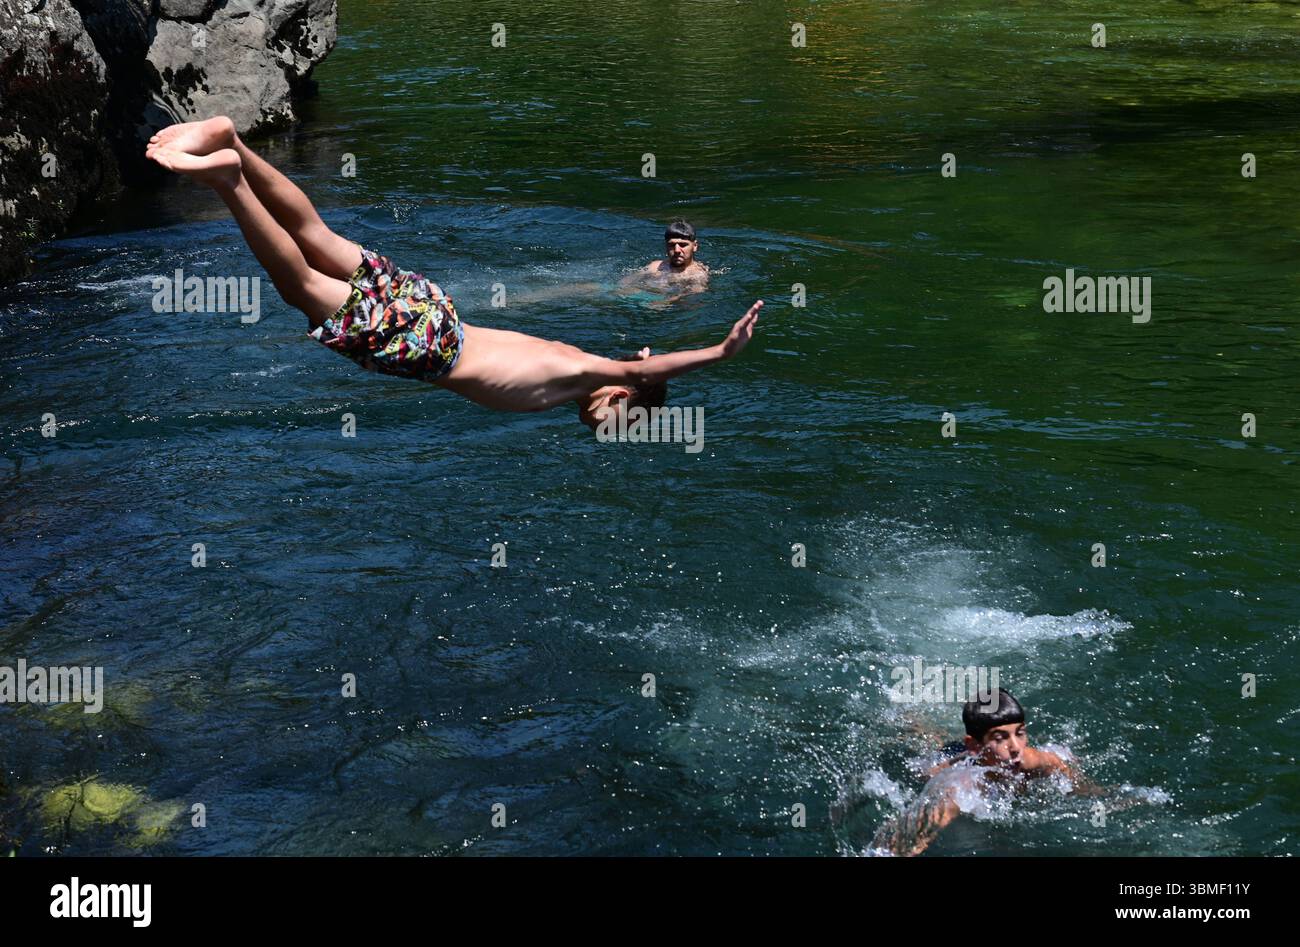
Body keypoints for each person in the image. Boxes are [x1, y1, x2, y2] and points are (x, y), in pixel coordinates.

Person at [145, 117, 761, 431]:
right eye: (621, 424)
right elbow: (641, 369)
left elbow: (639, 364)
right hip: (427, 346)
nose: (606, 431)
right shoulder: (590, 374)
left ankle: (235, 141)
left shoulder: (579, 362)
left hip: (438, 314)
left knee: (319, 239)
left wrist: (647, 365)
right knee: (301, 287)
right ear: (621, 399)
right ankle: (230, 178)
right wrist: (719, 352)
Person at [873, 689, 1100, 856]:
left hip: (973, 750)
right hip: (951, 762)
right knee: (925, 761)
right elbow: (911, 840)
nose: (1015, 748)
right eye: (1001, 738)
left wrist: (1098, 797)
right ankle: (909, 722)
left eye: (1020, 733)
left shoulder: (1032, 759)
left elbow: (1074, 779)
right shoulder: (960, 788)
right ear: (975, 744)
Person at [618, 219, 710, 305]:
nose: (677, 250)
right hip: (641, 299)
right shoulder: (655, 266)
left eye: (683, 245)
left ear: (695, 246)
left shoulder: (698, 273)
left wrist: (665, 302)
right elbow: (625, 282)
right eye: (672, 245)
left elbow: (694, 294)